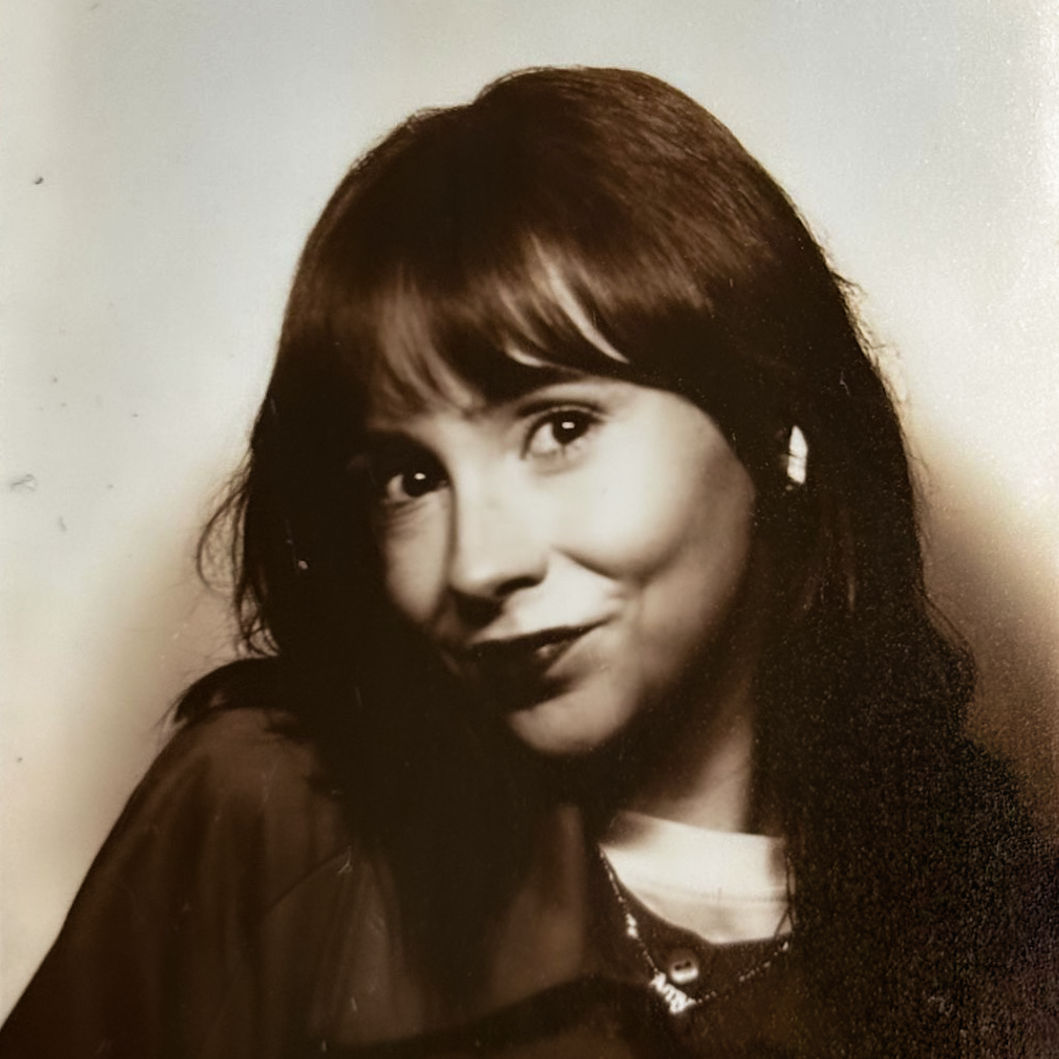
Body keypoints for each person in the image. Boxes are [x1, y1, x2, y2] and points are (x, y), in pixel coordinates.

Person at [1, 66, 1055, 1059]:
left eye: (559, 429)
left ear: (779, 426)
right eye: (409, 479)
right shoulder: (264, 816)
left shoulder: (993, 950)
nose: (476, 565)